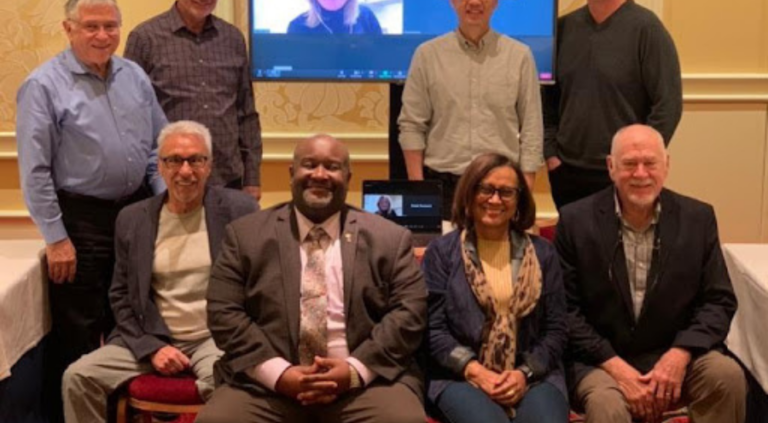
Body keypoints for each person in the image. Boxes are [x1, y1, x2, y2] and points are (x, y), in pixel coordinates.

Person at [197, 134, 427, 423]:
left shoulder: (389, 238)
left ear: (348, 177)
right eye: (309, 165)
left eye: (332, 167)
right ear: (292, 173)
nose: (320, 175)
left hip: (365, 384)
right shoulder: (245, 235)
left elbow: (409, 314)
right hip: (265, 386)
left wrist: (353, 371)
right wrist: (280, 375)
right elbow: (223, 313)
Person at [15, 0, 168, 423]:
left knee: (136, 317)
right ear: (68, 29)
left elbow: (159, 147)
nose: (102, 35)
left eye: (110, 26)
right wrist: (56, 238)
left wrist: (165, 209)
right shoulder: (42, 86)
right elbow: (35, 171)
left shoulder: (134, 77)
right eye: (91, 27)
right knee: (80, 330)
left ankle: (127, 412)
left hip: (138, 212)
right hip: (80, 220)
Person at [61, 121, 258, 423]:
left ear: (209, 165)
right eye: (174, 160)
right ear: (160, 166)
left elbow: (256, 286)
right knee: (78, 377)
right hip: (151, 334)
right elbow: (121, 296)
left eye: (196, 160)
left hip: (214, 338)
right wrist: (152, 348)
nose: (185, 171)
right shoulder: (133, 218)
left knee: (225, 389)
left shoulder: (239, 210)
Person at [555, 124, 745, 423]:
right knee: (607, 406)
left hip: (675, 351)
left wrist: (679, 354)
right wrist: (617, 368)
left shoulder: (698, 218)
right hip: (600, 360)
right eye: (630, 164)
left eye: (650, 163)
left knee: (726, 377)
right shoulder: (575, 221)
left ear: (666, 165)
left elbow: (718, 301)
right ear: (611, 167)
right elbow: (565, 310)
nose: (641, 173)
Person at [422, 153, 569, 423]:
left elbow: (556, 329)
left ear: (519, 200)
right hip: (459, 375)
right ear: (468, 193)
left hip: (535, 374)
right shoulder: (442, 253)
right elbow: (433, 329)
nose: (494, 200)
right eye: (485, 189)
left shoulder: (543, 254)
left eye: (506, 192)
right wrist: (476, 371)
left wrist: (523, 374)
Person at [543, 0, 682, 210]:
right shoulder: (563, 29)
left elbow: (668, 104)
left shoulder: (647, 29)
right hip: (567, 173)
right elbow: (546, 101)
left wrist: (638, 160)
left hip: (623, 174)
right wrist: (551, 155)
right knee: (575, 250)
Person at [398, 0, 543, 219]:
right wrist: (420, 190)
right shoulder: (427, 55)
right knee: (444, 259)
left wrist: (526, 194)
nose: (474, 1)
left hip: (501, 187)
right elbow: (411, 125)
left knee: (497, 260)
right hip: (442, 186)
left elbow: (532, 130)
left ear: (496, 0)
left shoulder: (520, 55)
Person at [124, 0, 263, 201]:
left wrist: (252, 177)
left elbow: (246, 113)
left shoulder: (232, 39)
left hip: (226, 177)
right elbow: (132, 117)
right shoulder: (144, 39)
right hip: (171, 180)